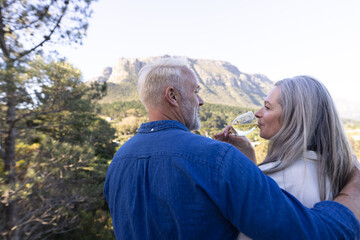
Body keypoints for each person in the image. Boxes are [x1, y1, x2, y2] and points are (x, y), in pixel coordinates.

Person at [103, 58, 360, 240]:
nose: (202, 101)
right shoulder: (216, 158)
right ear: (173, 96)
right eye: (196, 91)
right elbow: (306, 233)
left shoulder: (117, 163)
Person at [214, 76, 359, 239]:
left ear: (293, 118)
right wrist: (249, 157)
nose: (257, 113)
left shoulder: (274, 179)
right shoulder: (338, 173)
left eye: (267, 107)